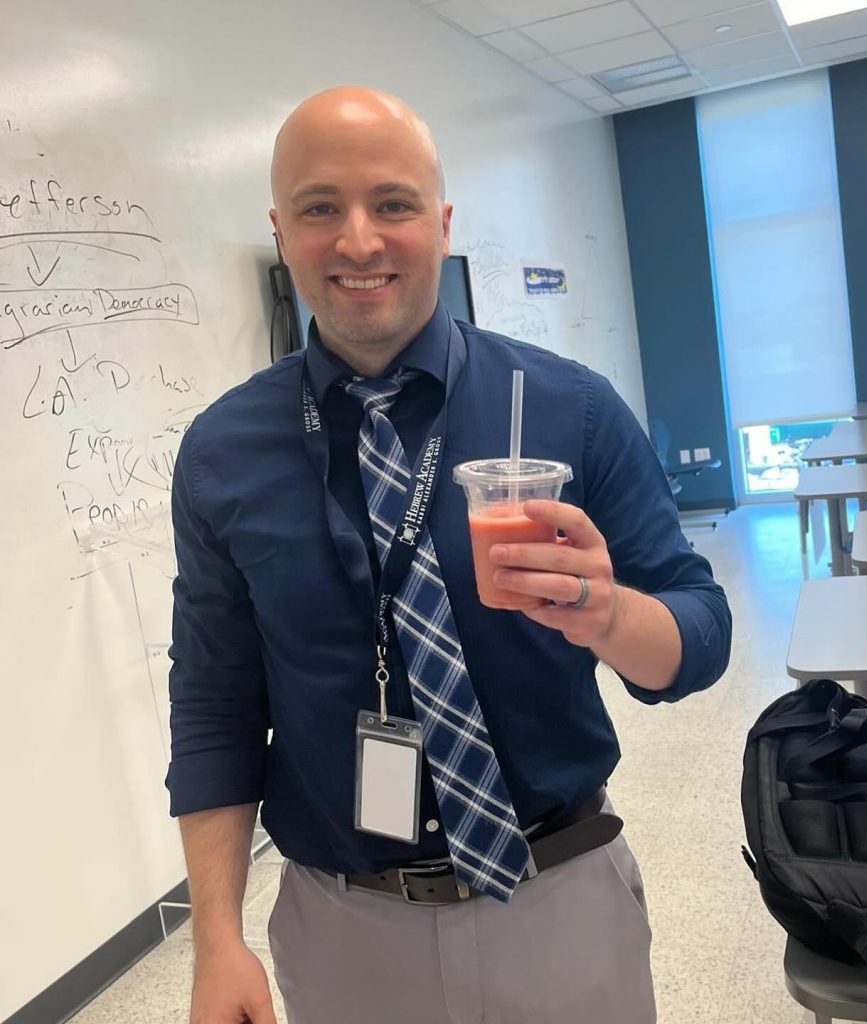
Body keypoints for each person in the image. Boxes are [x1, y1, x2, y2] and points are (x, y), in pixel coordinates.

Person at [166, 85, 731, 1024]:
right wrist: (216, 944)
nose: (357, 241)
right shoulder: (225, 451)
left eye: (392, 203)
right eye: (319, 208)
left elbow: (699, 639)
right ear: (280, 229)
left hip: (558, 898)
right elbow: (214, 707)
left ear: (441, 219)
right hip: (347, 931)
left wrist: (609, 616)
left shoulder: (567, 407)